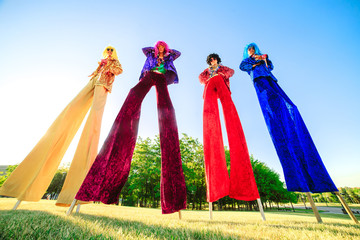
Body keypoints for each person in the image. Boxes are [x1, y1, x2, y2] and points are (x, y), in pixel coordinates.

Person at [0, 46, 123, 207]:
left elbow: (119, 70)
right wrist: (100, 67)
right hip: (93, 81)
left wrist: (108, 67)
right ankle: (24, 189)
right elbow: (95, 73)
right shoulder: (102, 62)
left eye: (110, 50)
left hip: (104, 84)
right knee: (70, 112)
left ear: (113, 53)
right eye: (107, 50)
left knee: (93, 121)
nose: (108, 52)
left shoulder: (114, 62)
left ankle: (74, 193)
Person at [74, 41, 187, 214]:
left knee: (167, 112)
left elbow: (177, 53)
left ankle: (174, 202)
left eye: (163, 47)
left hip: (162, 79)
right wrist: (154, 53)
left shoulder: (168, 57)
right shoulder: (152, 55)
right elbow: (144, 50)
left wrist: (167, 54)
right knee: (133, 95)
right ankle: (102, 189)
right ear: (157, 49)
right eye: (160, 47)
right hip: (150, 75)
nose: (162, 49)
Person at [240, 43, 338, 193]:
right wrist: (255, 63)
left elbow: (270, 67)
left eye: (253, 49)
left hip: (270, 79)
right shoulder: (248, 60)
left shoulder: (262, 56)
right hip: (259, 80)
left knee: (286, 104)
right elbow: (243, 66)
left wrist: (264, 60)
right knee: (271, 104)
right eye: (249, 50)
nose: (252, 51)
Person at [199, 53, 260, 204]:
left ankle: (243, 188)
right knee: (210, 119)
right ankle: (216, 189)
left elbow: (231, 72)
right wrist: (209, 74)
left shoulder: (221, 69)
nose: (212, 61)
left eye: (214, 59)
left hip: (221, 86)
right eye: (211, 60)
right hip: (210, 89)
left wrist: (219, 71)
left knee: (230, 117)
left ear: (217, 60)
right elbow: (200, 78)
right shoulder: (207, 71)